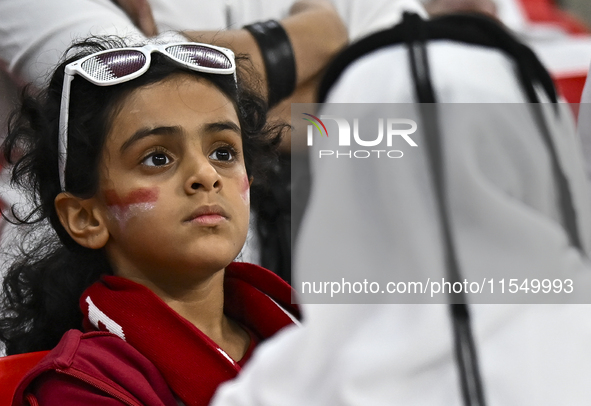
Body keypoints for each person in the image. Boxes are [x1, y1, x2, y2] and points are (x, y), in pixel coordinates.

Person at [0, 35, 300, 405]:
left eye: (223, 152)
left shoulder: (311, 331)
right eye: (158, 158)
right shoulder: (78, 385)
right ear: (85, 218)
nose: (206, 175)